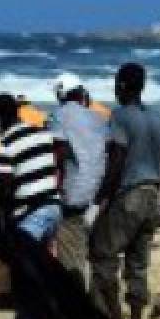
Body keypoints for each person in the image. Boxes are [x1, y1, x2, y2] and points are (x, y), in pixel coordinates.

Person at [90, 62, 160, 319]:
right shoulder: (158, 118)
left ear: (124, 86)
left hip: (129, 195)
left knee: (103, 255)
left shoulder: (120, 117)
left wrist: (100, 197)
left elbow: (116, 160)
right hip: (153, 194)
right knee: (138, 265)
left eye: (117, 83)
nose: (115, 89)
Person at [0, 93, 63, 319]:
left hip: (31, 215)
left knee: (26, 277)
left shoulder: (6, 143)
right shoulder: (43, 134)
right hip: (54, 208)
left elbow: (6, 189)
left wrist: (4, 225)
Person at [51, 72, 109, 287]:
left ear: (60, 94)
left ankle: (75, 308)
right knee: (95, 255)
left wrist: (54, 190)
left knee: (70, 260)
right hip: (100, 193)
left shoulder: (59, 115)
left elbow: (58, 155)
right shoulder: (98, 117)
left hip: (74, 193)